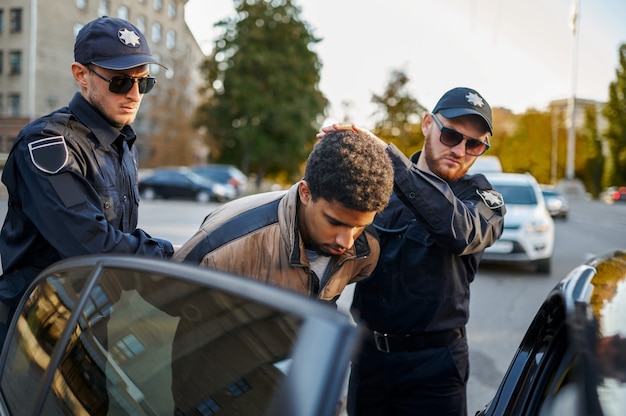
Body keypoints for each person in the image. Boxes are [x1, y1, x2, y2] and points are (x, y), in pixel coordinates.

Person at [170, 129, 394, 414]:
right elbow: (168, 297)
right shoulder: (226, 243)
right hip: (209, 399)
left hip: (287, 397)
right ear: (305, 192)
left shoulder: (366, 248)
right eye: (335, 222)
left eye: (359, 226)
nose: (346, 241)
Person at [322, 87, 506, 416]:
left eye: (474, 144)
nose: (461, 150)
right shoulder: (377, 183)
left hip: (434, 368)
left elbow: (461, 232)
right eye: (450, 135)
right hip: (369, 358)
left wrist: (388, 159)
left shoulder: (482, 199)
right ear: (426, 124)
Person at [0, 17, 174, 347]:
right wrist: (170, 254)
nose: (135, 95)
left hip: (91, 321)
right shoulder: (48, 146)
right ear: (81, 75)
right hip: (34, 332)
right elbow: (93, 245)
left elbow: (120, 241)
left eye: (144, 82)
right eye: (121, 82)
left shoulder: (120, 143)